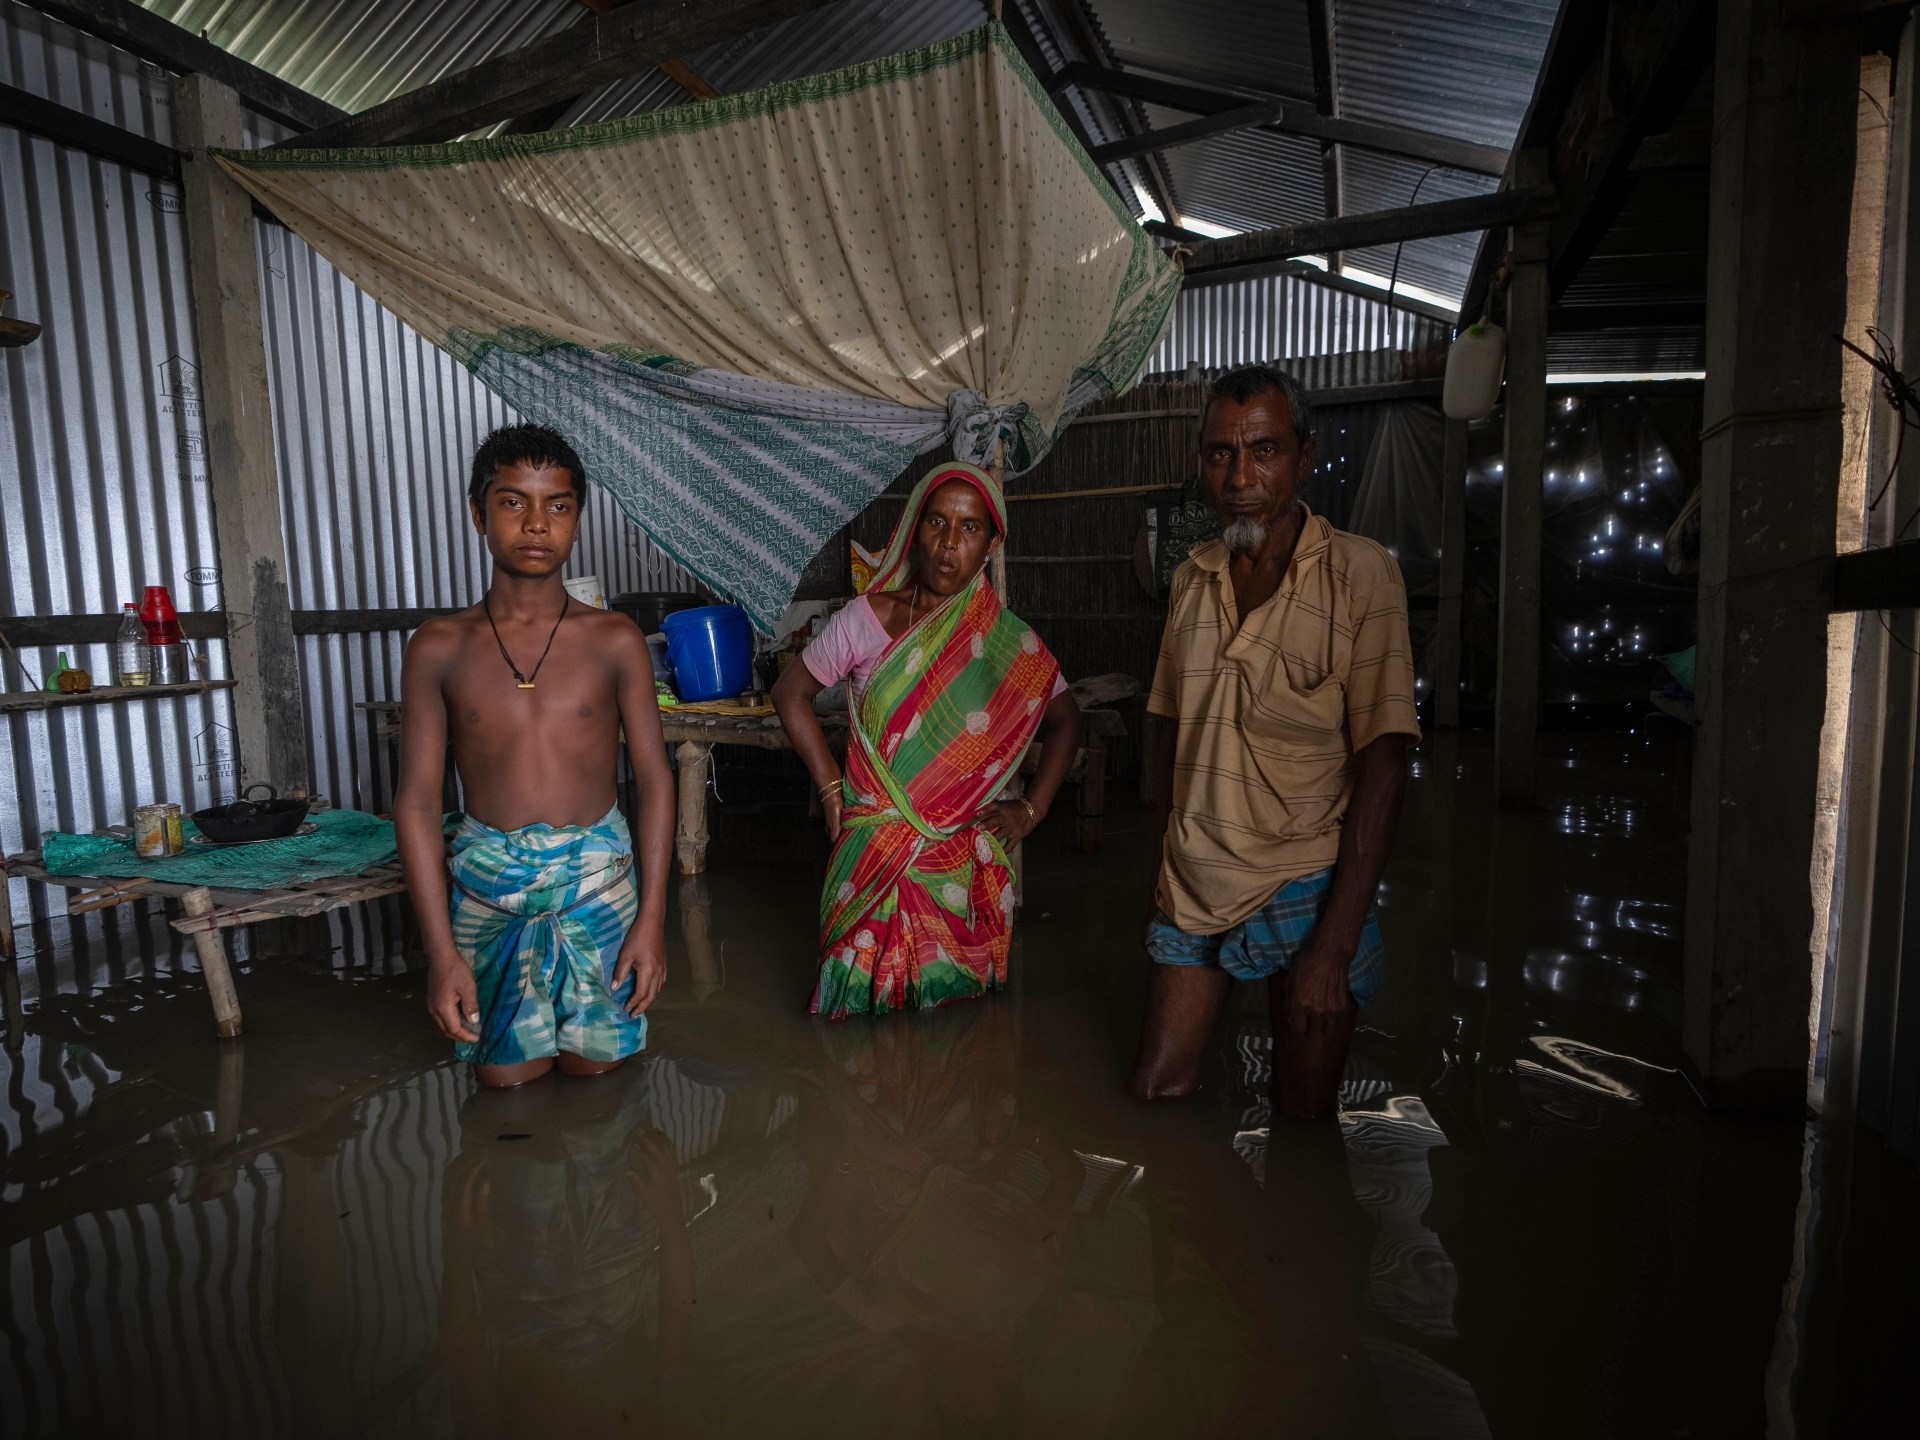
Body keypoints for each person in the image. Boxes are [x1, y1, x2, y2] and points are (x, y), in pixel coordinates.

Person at [1130, 365, 1419, 1120]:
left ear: (1306, 456)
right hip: (1194, 880)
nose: (1239, 477)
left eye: (1263, 450)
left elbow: (1386, 760)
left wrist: (1337, 942)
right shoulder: (1192, 579)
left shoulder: (1362, 575)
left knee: (1303, 1122)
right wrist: (1159, 868)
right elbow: (1163, 728)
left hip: (1307, 881)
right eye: (1220, 453)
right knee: (1157, 1093)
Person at [395, 423, 675, 1089]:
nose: (536, 525)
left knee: (600, 1077)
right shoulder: (438, 647)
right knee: (506, 1085)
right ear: (477, 514)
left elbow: (657, 783)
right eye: (512, 502)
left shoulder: (614, 640)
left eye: (558, 505)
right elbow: (418, 801)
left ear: (577, 518)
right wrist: (440, 954)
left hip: (600, 890)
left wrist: (653, 924)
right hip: (489, 891)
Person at [774, 460, 1084, 1017]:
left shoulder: (1007, 642)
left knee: (955, 1046)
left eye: (969, 529)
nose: (948, 544)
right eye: (936, 523)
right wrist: (829, 790)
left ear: (992, 544)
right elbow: (789, 693)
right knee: (852, 1017)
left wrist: (1030, 813)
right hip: (869, 858)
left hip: (956, 873)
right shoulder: (866, 620)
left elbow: (1067, 722)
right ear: (914, 528)